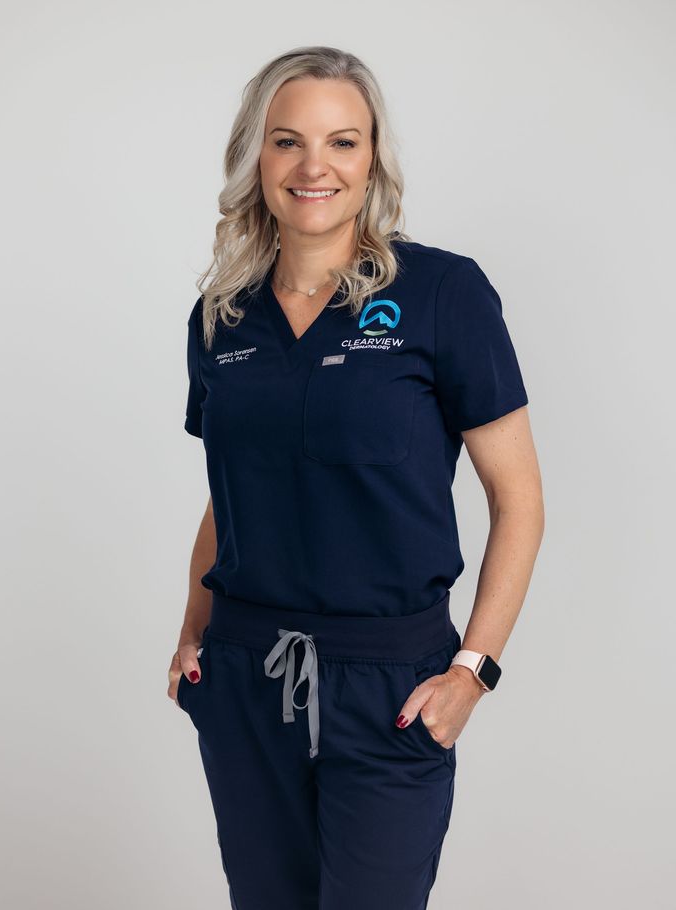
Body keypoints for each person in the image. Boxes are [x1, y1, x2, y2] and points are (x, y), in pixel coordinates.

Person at [167, 45, 544, 910]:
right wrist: (192, 638)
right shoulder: (222, 315)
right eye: (287, 141)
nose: (313, 167)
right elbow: (228, 496)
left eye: (342, 142)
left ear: (371, 159)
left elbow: (518, 502)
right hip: (245, 675)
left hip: (389, 685)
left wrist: (471, 674)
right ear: (254, 156)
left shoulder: (443, 294)